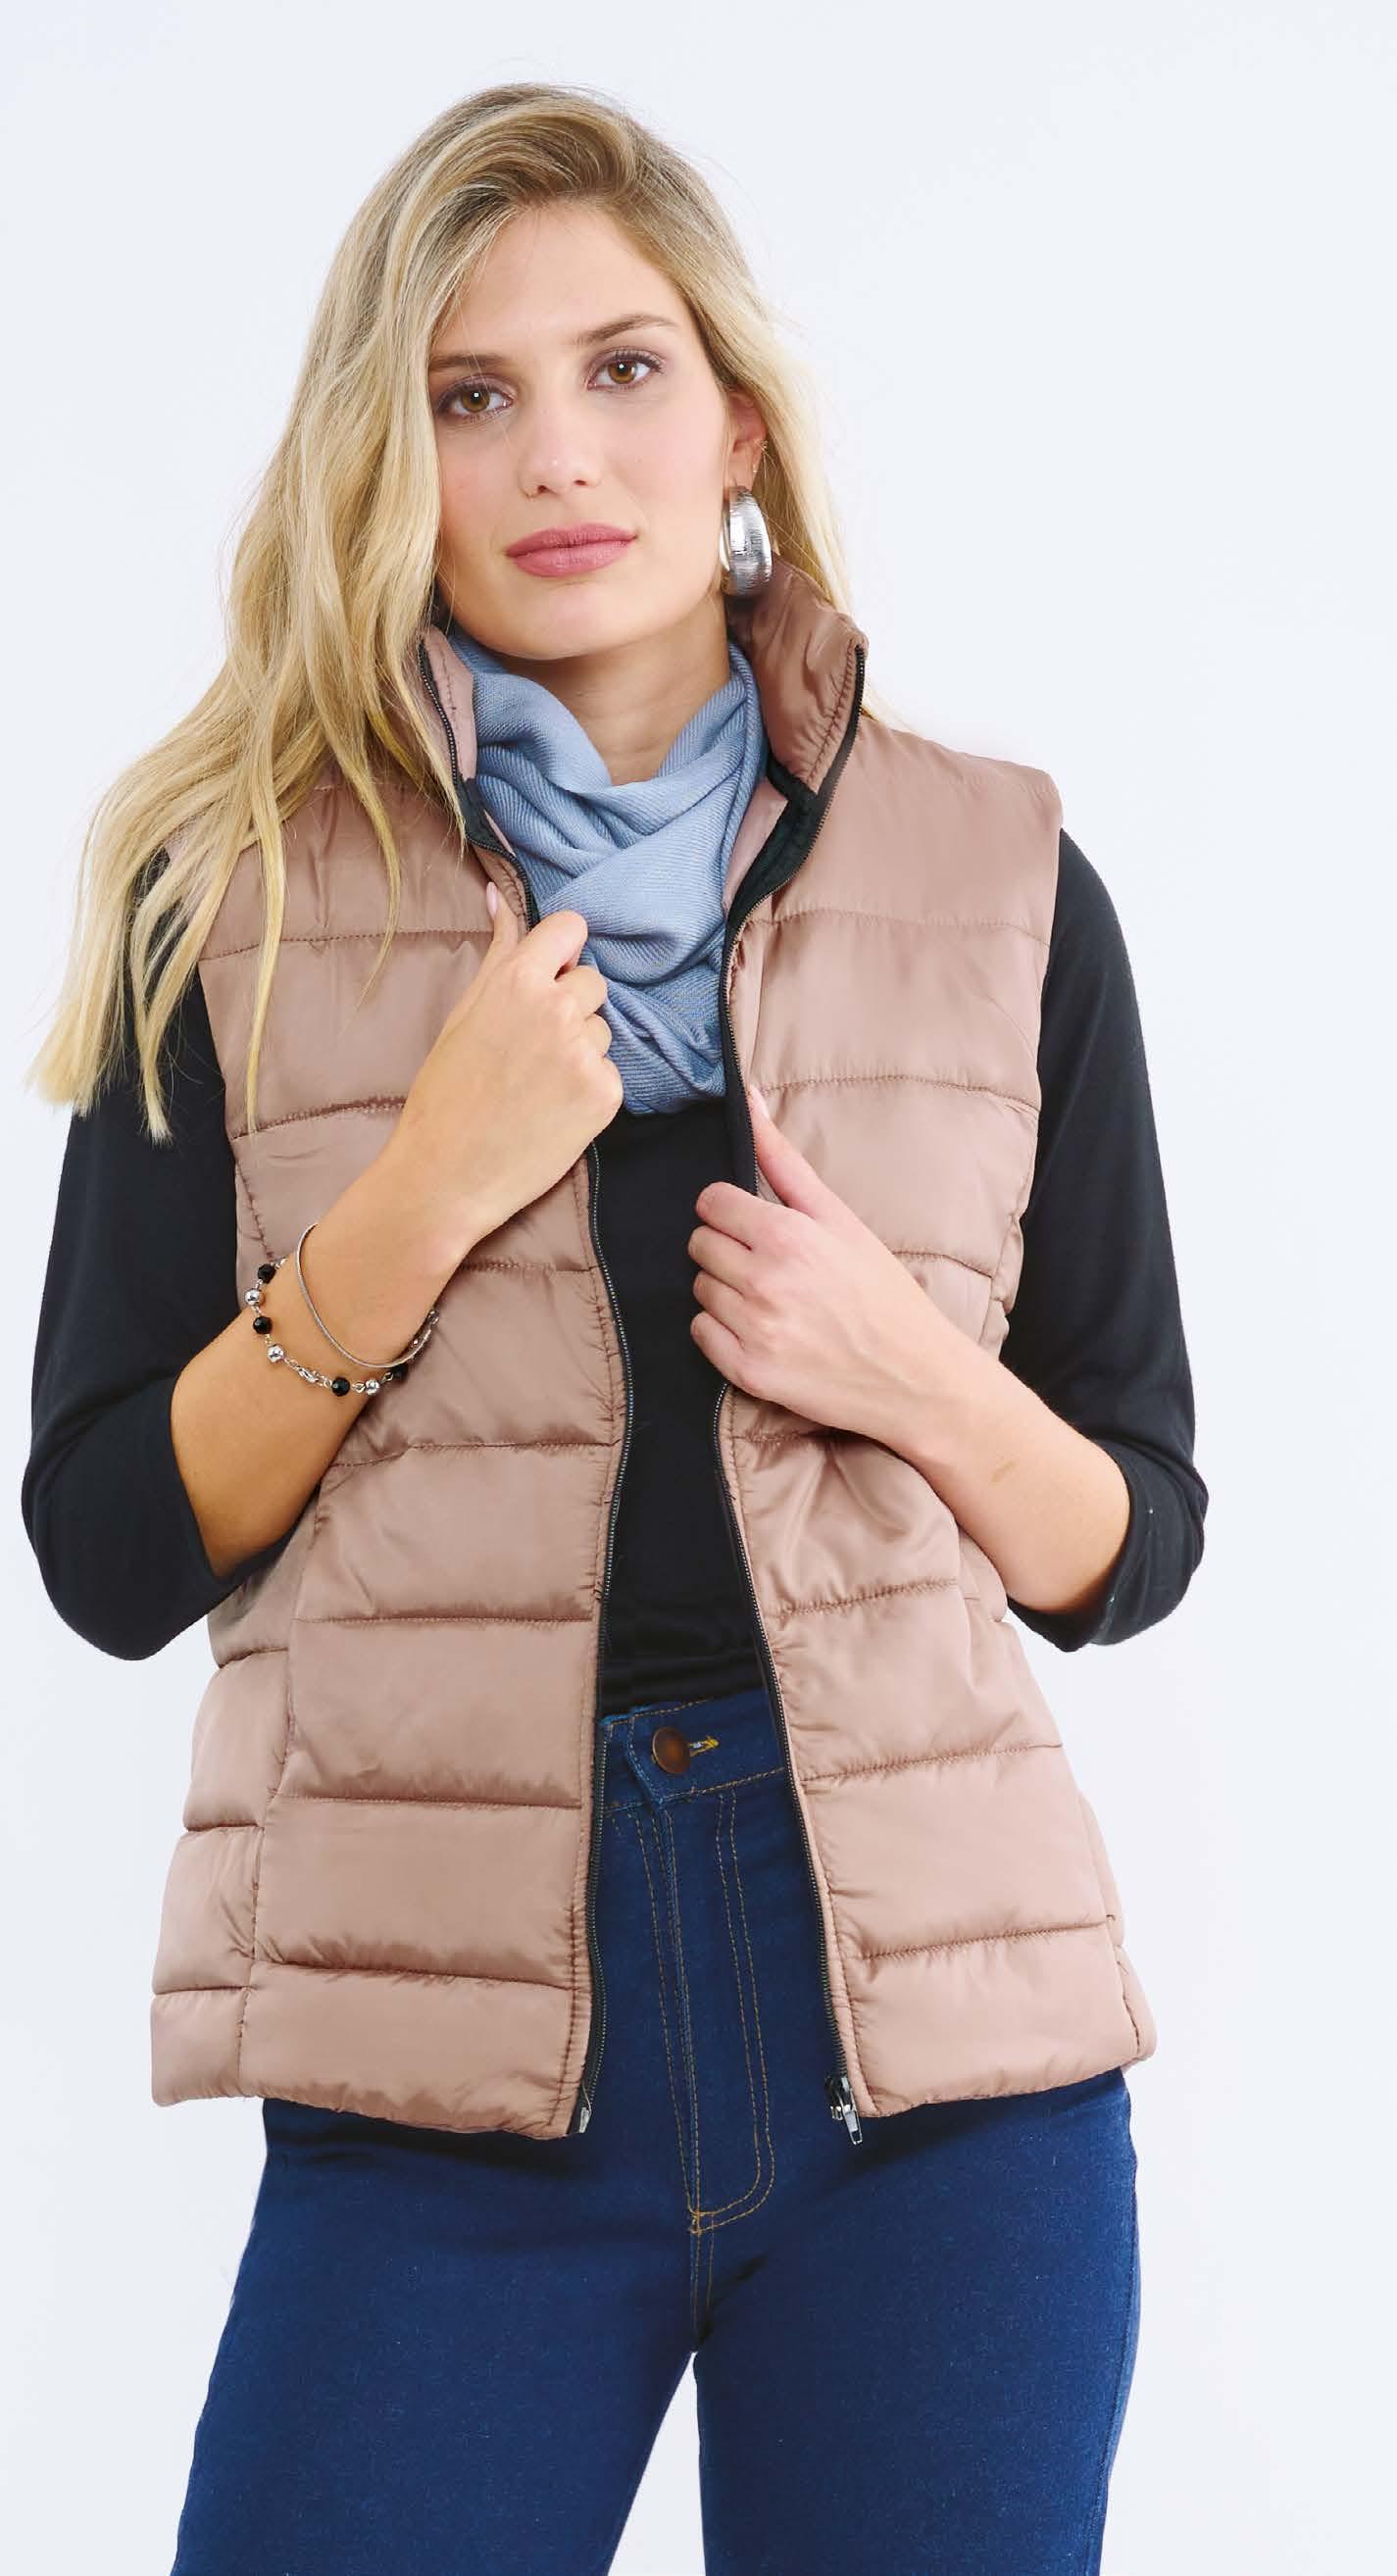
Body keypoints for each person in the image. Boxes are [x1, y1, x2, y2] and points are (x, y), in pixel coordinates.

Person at [21, 80, 1207, 2576]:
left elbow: (1126, 1544)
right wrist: (415, 1201)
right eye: (470, 395)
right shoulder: (226, 903)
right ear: (392, 461)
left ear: (737, 420)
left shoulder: (998, 879)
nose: (559, 453)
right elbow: (110, 1547)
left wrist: (903, 1369)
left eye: (624, 369)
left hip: (940, 2079)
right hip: (445, 2076)